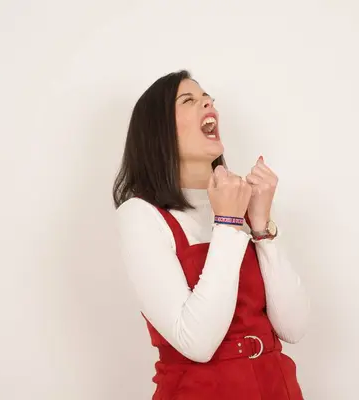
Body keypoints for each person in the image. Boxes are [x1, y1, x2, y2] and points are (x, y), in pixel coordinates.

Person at [113, 70, 310, 399]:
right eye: (188, 100)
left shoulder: (240, 201)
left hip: (278, 388)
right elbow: (197, 343)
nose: (207, 102)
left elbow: (294, 327)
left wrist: (261, 227)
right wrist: (229, 223)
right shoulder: (141, 215)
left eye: (208, 99)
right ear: (157, 132)